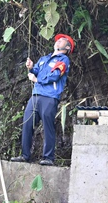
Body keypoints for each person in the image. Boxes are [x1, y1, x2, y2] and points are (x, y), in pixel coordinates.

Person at [11, 34, 74, 166]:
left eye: (62, 40)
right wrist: (31, 67)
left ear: (67, 47)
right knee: (27, 123)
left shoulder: (64, 60)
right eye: (58, 39)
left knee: (48, 126)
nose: (58, 40)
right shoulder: (44, 59)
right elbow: (37, 71)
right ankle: (25, 155)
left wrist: (37, 80)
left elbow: (55, 75)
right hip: (36, 96)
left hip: (50, 97)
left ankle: (48, 157)